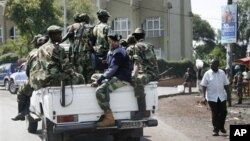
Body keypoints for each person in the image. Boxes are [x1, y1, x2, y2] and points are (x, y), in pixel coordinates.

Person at [91, 33, 132, 127]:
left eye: (115, 41)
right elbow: (109, 64)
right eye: (112, 41)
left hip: (122, 78)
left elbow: (112, 69)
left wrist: (99, 80)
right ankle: (102, 83)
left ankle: (109, 118)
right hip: (115, 75)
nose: (113, 43)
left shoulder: (119, 52)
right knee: (94, 76)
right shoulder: (113, 51)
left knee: (100, 91)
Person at [30, 25, 84, 90]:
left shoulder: (40, 48)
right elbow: (66, 68)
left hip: (42, 80)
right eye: (59, 34)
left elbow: (38, 67)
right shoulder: (58, 48)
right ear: (52, 35)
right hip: (54, 80)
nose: (61, 36)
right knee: (80, 77)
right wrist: (73, 73)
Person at [12, 35, 48, 121]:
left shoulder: (33, 53)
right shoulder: (55, 48)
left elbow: (28, 71)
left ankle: (22, 113)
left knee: (22, 91)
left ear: (37, 43)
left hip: (38, 79)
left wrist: (31, 79)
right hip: (55, 79)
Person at [131, 28, 159, 120]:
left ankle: (141, 111)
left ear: (135, 37)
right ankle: (144, 111)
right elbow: (154, 61)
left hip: (147, 73)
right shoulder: (149, 45)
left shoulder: (137, 46)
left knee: (138, 81)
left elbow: (136, 63)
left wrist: (134, 76)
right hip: (153, 73)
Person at [200, 59, 230, 136]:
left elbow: (226, 85)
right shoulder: (207, 73)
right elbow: (203, 85)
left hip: (222, 96)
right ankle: (215, 130)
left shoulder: (222, 73)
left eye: (212, 64)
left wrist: (229, 96)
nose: (211, 65)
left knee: (223, 112)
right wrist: (203, 97)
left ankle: (221, 127)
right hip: (211, 97)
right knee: (215, 113)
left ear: (217, 65)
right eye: (210, 64)